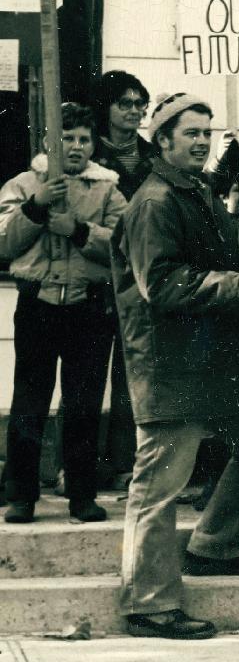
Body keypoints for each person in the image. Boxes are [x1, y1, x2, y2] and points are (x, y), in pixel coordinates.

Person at [113, 93, 239, 642]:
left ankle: (214, 546)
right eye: (189, 133)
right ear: (162, 140)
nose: (200, 141)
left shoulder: (200, 194)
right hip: (172, 366)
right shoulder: (155, 201)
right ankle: (148, 605)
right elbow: (161, 284)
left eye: (206, 133)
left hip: (215, 362)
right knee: (159, 487)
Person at [0, 103, 126, 524]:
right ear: (48, 142)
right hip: (37, 305)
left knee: (84, 403)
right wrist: (36, 208)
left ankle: (81, 493)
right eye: (66, 138)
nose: (75, 147)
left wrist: (77, 230)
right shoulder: (21, 184)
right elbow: (4, 243)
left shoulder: (108, 189)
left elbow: (123, 247)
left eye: (83, 139)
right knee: (29, 401)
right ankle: (21, 494)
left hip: (89, 308)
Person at [90, 70, 157, 491]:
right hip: (97, 278)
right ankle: (81, 465)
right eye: (124, 103)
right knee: (89, 374)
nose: (133, 112)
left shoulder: (154, 158)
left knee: (132, 374)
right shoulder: (88, 155)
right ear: (106, 109)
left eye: (139, 104)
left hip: (141, 281)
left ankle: (123, 461)